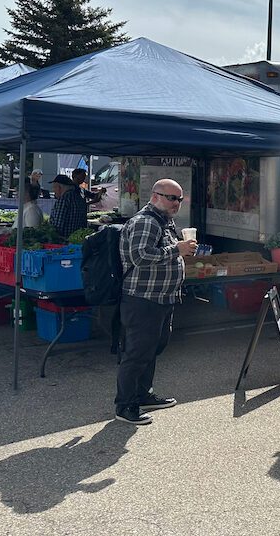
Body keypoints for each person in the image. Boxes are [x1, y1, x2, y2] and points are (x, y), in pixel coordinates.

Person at [114, 179, 197, 426]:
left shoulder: (164, 222)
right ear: (155, 196)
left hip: (160, 298)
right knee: (137, 353)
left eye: (179, 199)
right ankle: (125, 405)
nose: (176, 203)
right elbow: (140, 256)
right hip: (142, 299)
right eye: (171, 198)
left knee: (152, 348)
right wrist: (177, 250)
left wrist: (179, 251)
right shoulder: (146, 221)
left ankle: (143, 395)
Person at [48, 174, 88, 239]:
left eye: (54, 187)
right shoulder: (80, 198)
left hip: (63, 240)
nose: (53, 190)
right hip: (77, 240)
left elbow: (57, 226)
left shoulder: (63, 200)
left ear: (59, 187)